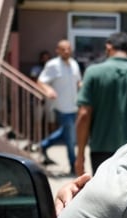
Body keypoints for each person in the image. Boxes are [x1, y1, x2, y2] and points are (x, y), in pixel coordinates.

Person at [75, 31, 127, 176]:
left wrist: (80, 155)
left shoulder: (93, 73)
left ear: (108, 48)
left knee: (103, 194)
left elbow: (84, 115)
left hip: (100, 151)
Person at [37, 40, 82, 173]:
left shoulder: (74, 64)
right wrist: (48, 90)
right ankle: (73, 165)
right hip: (61, 107)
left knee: (66, 133)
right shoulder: (52, 64)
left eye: (68, 49)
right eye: (63, 49)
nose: (66, 51)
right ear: (57, 50)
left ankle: (43, 145)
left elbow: (78, 82)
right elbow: (40, 81)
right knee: (70, 138)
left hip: (74, 106)